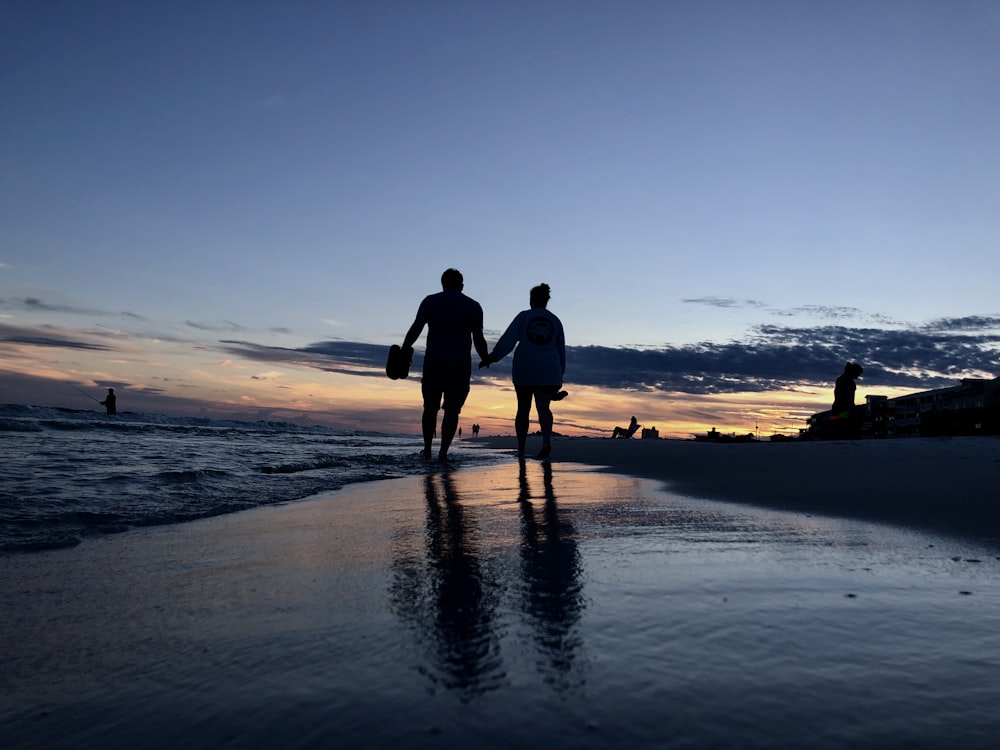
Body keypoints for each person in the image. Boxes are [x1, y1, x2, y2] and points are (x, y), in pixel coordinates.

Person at [402, 268, 490, 461]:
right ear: (462, 285)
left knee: (430, 407)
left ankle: (427, 450)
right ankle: (443, 453)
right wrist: (486, 358)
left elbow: (416, 327)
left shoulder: (430, 301)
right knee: (452, 411)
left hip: (434, 362)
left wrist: (404, 348)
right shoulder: (473, 306)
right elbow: (478, 338)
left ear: (442, 283)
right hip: (459, 364)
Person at [481, 283, 566, 460]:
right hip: (549, 369)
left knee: (523, 409)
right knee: (544, 408)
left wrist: (492, 357)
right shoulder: (556, 321)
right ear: (547, 300)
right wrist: (559, 377)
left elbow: (508, 340)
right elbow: (560, 351)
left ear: (531, 300)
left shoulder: (524, 317)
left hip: (525, 368)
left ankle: (521, 448)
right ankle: (546, 442)